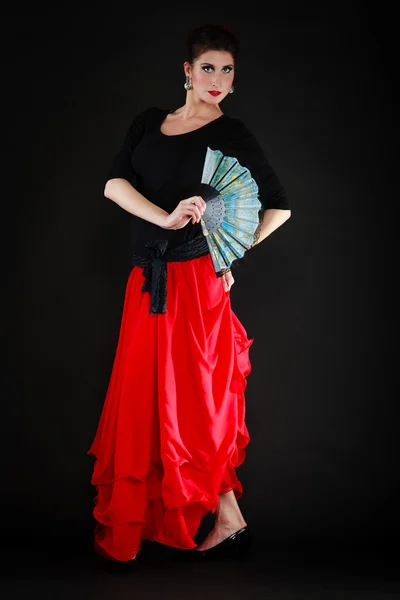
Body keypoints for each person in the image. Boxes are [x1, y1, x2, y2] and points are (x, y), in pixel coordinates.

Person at [87, 23, 291, 566]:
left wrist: (231, 252)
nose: (218, 79)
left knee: (195, 405)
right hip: (146, 281)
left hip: (195, 285)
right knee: (149, 405)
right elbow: (114, 184)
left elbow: (279, 205)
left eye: (227, 70)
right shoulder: (149, 123)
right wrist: (167, 216)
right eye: (208, 68)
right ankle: (226, 517)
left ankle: (228, 517)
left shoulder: (232, 133)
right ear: (187, 70)